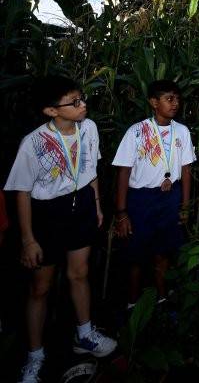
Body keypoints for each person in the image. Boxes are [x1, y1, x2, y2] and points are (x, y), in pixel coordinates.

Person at [5, 76, 116, 383]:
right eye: (74, 102)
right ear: (51, 111)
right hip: (47, 214)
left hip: (80, 205)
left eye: (81, 99)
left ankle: (84, 334)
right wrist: (28, 239)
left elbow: (91, 169)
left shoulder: (89, 128)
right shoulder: (33, 143)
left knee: (79, 273)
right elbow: (22, 192)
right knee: (40, 287)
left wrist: (95, 205)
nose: (83, 105)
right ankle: (34, 355)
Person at [113, 80, 195, 306]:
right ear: (153, 102)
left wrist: (185, 206)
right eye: (169, 99)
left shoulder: (182, 131)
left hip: (171, 198)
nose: (175, 103)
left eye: (177, 98)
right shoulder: (136, 132)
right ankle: (132, 303)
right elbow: (123, 172)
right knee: (136, 254)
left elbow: (186, 169)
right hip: (142, 199)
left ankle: (161, 298)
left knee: (164, 251)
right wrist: (121, 212)